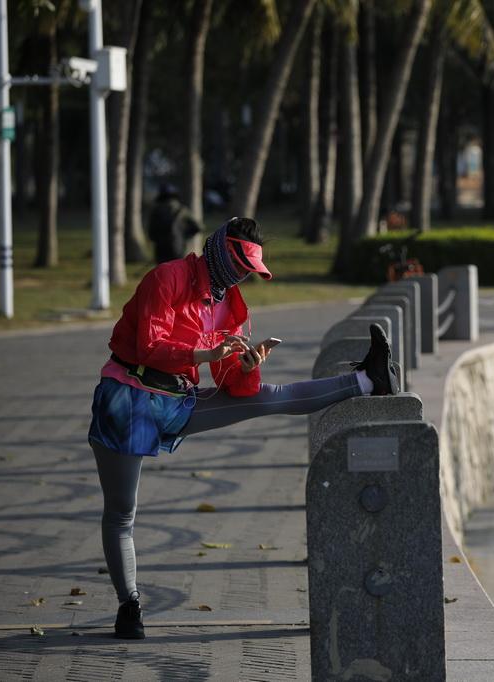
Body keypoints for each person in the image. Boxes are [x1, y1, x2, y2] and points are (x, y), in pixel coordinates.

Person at [88, 217, 398, 640]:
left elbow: (232, 382)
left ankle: (366, 380)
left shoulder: (230, 305)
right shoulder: (167, 278)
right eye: (238, 263)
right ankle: (130, 605)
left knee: (270, 397)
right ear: (219, 250)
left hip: (178, 399)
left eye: (249, 269)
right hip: (128, 397)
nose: (241, 274)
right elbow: (149, 345)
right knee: (122, 510)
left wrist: (248, 366)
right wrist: (207, 353)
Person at [147, 184, 202, 264]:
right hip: (178, 247)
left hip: (161, 249)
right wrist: (184, 236)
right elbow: (198, 227)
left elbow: (151, 233)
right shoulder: (182, 209)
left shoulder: (156, 210)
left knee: (162, 270)